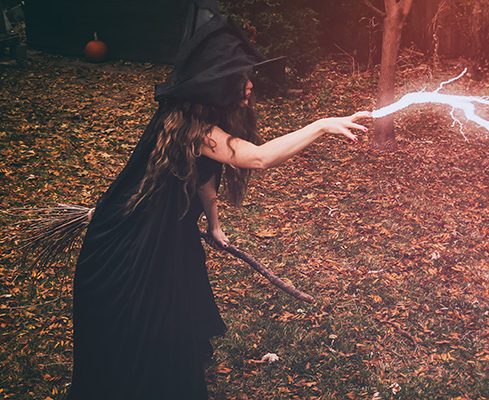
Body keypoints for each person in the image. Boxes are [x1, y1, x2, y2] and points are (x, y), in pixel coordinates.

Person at [66, 7, 370, 400]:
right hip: (136, 241)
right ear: (215, 85)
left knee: (179, 305)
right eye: (239, 78)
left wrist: (213, 223)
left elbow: (203, 180)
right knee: (147, 320)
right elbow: (258, 157)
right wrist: (322, 124)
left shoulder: (204, 122)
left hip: (170, 231)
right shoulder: (193, 127)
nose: (248, 85)